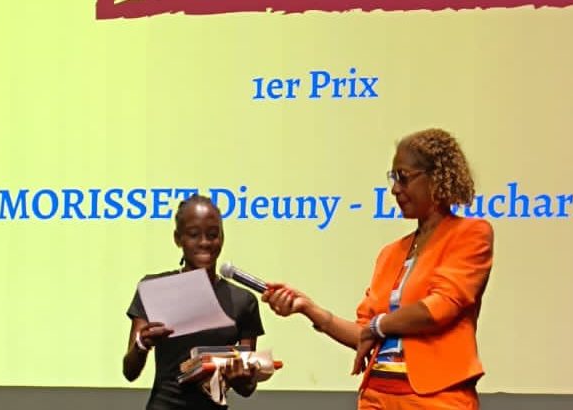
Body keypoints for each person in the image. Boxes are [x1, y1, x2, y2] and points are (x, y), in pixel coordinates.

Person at [262, 128, 494, 409]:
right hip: (376, 397)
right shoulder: (390, 254)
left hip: (437, 398)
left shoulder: (471, 234)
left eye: (403, 177)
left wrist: (378, 326)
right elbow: (364, 332)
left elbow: (439, 308)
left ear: (435, 177)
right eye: (393, 178)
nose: (395, 189)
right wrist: (308, 308)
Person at [123, 194, 265, 410]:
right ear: (177, 238)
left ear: (222, 237)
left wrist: (239, 377)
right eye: (193, 235)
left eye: (213, 234)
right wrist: (142, 344)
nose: (204, 242)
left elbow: (247, 388)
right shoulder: (155, 289)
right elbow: (129, 371)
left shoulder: (243, 301)